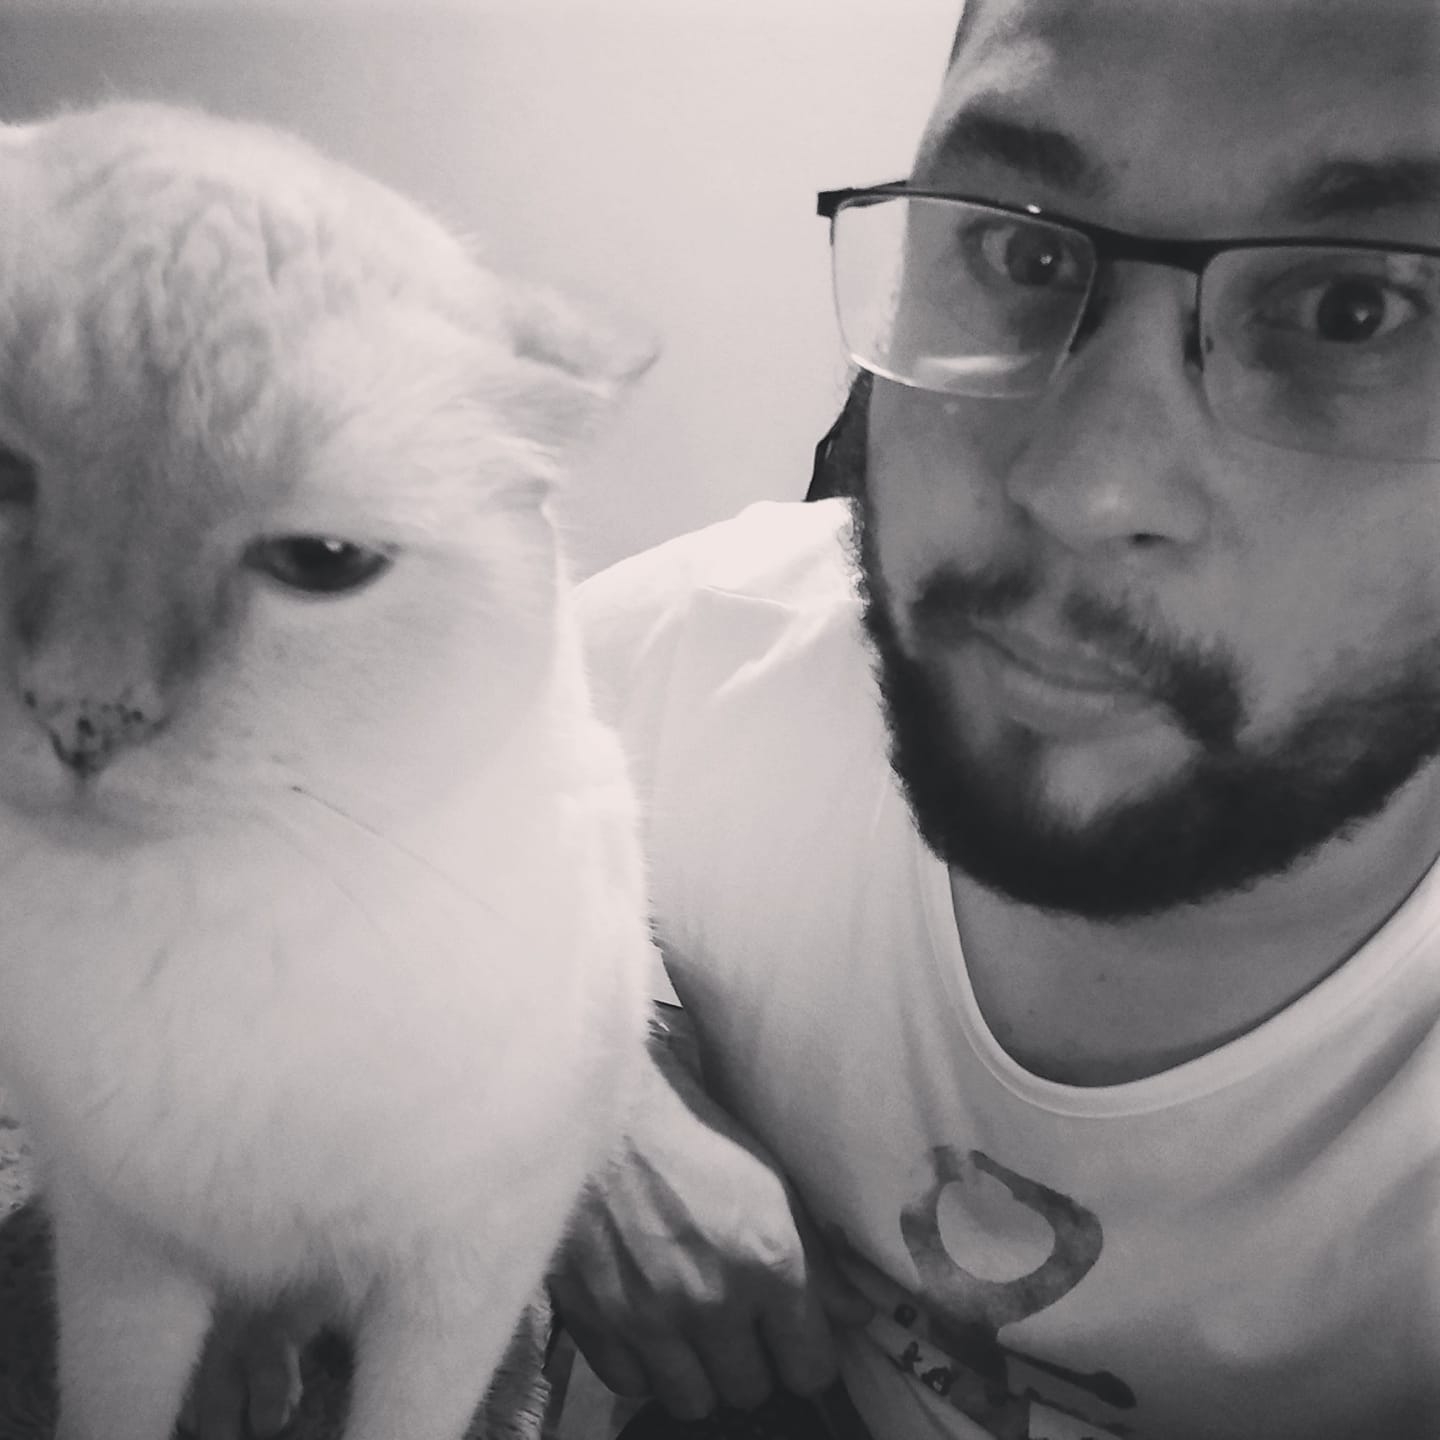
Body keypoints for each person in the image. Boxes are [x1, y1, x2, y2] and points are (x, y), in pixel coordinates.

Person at [546, 1, 1440, 1437]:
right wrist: (585, 1086)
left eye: (1356, 309)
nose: (1081, 487)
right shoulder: (696, 661)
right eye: (1020, 251)